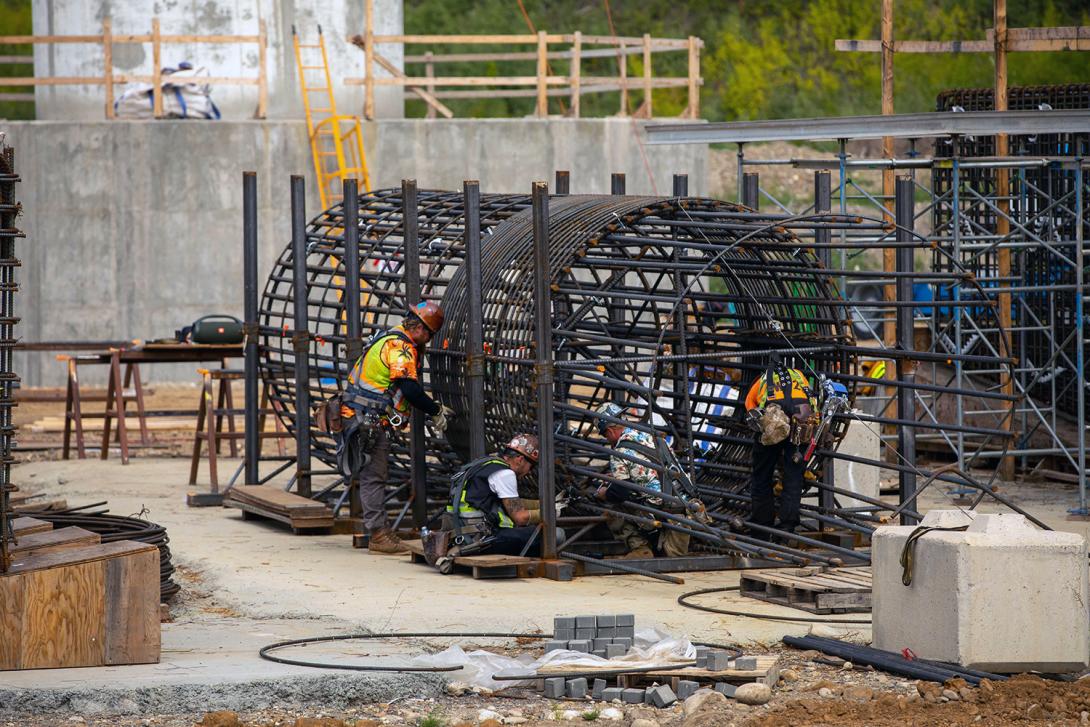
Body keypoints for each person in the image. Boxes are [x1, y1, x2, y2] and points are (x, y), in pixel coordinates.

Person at [339, 301, 454, 554]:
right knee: (373, 476)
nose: (428, 340)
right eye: (430, 335)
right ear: (423, 330)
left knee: (372, 474)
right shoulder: (400, 347)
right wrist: (435, 410)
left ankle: (381, 530)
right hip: (367, 418)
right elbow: (410, 388)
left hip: (361, 414)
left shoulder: (391, 335)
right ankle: (378, 535)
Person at [593, 403, 693, 559]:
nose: (607, 439)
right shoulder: (650, 435)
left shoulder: (619, 452)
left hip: (660, 509)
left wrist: (604, 493)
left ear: (610, 431)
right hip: (684, 502)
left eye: (605, 435)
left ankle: (640, 548)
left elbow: (620, 492)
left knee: (612, 508)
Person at [445, 433, 556, 557]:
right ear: (520, 460)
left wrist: (544, 503)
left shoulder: (486, 464)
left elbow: (508, 502)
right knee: (555, 535)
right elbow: (519, 518)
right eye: (531, 467)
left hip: (460, 534)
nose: (528, 472)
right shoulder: (505, 474)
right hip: (479, 540)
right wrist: (551, 513)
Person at [744, 355, 819, 537]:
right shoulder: (799, 376)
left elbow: (749, 405)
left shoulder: (763, 379)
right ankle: (787, 527)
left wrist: (759, 429)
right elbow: (813, 401)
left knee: (762, 474)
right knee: (794, 476)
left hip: (774, 422)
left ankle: (761, 527)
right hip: (802, 421)